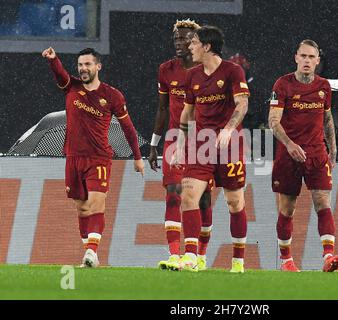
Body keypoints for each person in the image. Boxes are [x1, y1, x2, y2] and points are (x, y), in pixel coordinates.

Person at [42, 47, 144, 267]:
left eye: (88, 64)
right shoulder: (72, 87)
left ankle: (91, 251)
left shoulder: (112, 95)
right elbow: (61, 75)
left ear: (98, 66)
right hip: (72, 157)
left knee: (96, 204)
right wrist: (53, 60)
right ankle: (90, 255)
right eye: (80, 65)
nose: (83, 68)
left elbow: (128, 128)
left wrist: (137, 156)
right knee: (82, 208)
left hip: (99, 157)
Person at [171, 25, 250, 273]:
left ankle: (238, 261)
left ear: (206, 46)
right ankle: (191, 257)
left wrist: (228, 129)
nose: (189, 47)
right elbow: (187, 112)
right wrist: (180, 144)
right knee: (188, 196)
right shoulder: (193, 76)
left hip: (229, 146)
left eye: (194, 43)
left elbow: (242, 104)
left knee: (234, 202)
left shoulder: (233, 71)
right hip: (201, 145)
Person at [268, 39, 338, 272]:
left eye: (312, 57)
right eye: (303, 56)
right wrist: (289, 144)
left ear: (318, 61)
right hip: (288, 154)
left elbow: (327, 119)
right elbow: (273, 121)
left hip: (317, 153)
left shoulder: (324, 87)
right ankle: (286, 259)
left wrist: (333, 148)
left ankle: (328, 256)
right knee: (287, 208)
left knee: (322, 202)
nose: (307, 61)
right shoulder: (283, 84)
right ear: (296, 58)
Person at [147, 19, 214, 271]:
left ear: (195, 41)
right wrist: (154, 144)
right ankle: (176, 255)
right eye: (176, 38)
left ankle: (199, 255)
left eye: (184, 38)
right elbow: (162, 108)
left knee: (203, 200)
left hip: (203, 140)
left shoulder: (209, 69)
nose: (179, 43)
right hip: (175, 138)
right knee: (174, 192)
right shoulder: (166, 70)